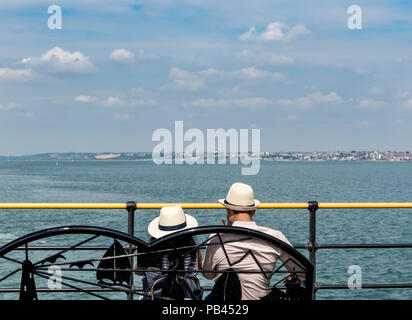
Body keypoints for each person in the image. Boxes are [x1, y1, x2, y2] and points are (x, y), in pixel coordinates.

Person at [202, 182, 304, 300]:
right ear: (253, 211)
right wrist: (293, 273)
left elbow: (208, 275)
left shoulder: (217, 238)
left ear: (228, 211)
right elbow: (303, 272)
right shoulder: (275, 237)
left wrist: (215, 236)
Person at [135, 205, 203, 300]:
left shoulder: (151, 249)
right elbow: (199, 268)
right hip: (187, 296)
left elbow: (137, 271)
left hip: (156, 296)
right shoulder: (193, 248)